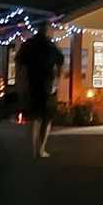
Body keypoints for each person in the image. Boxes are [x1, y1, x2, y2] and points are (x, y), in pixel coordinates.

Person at [15, 28, 64, 159]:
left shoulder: (28, 45)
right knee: (46, 119)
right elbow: (60, 63)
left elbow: (19, 64)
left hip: (32, 86)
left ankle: (34, 149)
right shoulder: (51, 46)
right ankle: (41, 149)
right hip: (47, 86)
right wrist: (57, 80)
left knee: (35, 118)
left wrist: (21, 83)